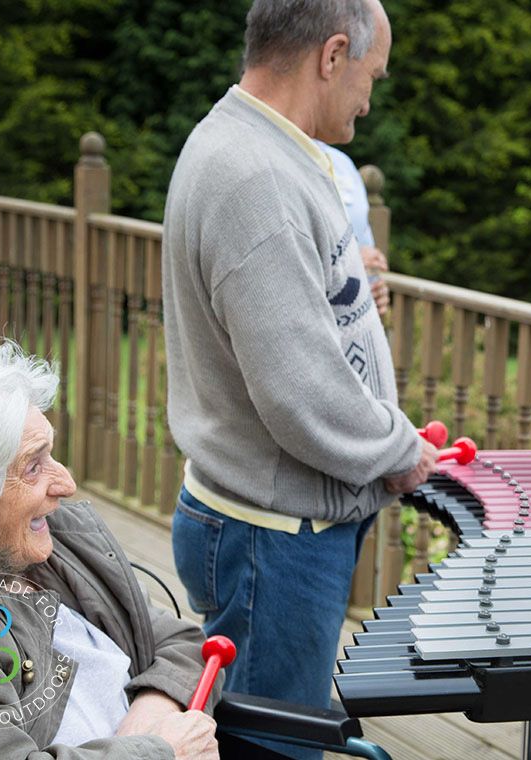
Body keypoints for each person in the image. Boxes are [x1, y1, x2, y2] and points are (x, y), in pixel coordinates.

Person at [161, 1, 437, 756]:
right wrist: (399, 451)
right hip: (270, 540)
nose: (369, 97)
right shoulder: (253, 177)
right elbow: (299, 392)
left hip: (273, 531)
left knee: (285, 732)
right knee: (275, 749)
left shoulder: (265, 148)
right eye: (370, 76)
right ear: (332, 54)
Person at [0, 341, 221, 759]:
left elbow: (178, 640)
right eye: (33, 465)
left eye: (51, 454)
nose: (67, 483)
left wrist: (152, 708)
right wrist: (159, 752)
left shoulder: (50, 545)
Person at [317, 141, 391, 316]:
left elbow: (366, 250)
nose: (364, 112)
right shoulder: (277, 158)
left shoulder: (343, 164)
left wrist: (376, 289)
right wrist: (353, 262)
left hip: (358, 325)